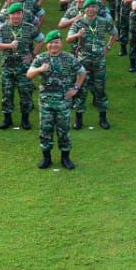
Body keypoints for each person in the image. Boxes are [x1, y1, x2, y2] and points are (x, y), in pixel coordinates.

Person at [26, 30, 85, 169]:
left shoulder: (69, 58)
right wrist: (40, 69)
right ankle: (46, 158)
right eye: (51, 43)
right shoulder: (41, 58)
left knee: (64, 130)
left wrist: (75, 88)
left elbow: (82, 72)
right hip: (46, 103)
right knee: (45, 130)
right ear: (47, 44)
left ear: (61, 43)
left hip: (63, 103)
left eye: (56, 42)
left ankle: (65, 158)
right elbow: (29, 74)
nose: (54, 45)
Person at [66, 0, 116, 128]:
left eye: (93, 6)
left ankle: (103, 118)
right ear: (84, 8)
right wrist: (77, 35)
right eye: (88, 7)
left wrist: (108, 46)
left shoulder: (103, 21)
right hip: (83, 62)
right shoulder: (78, 23)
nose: (90, 9)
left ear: (97, 8)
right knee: (81, 90)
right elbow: (68, 39)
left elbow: (114, 33)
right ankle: (79, 119)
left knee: (100, 90)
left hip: (99, 61)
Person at [0, 1, 43, 130]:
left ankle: (25, 119)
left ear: (22, 14)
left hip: (23, 67)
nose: (16, 16)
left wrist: (32, 55)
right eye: (13, 14)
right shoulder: (3, 28)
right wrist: (9, 46)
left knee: (25, 92)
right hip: (7, 66)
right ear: (9, 15)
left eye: (18, 13)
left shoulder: (29, 27)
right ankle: (7, 119)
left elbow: (41, 40)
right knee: (7, 93)